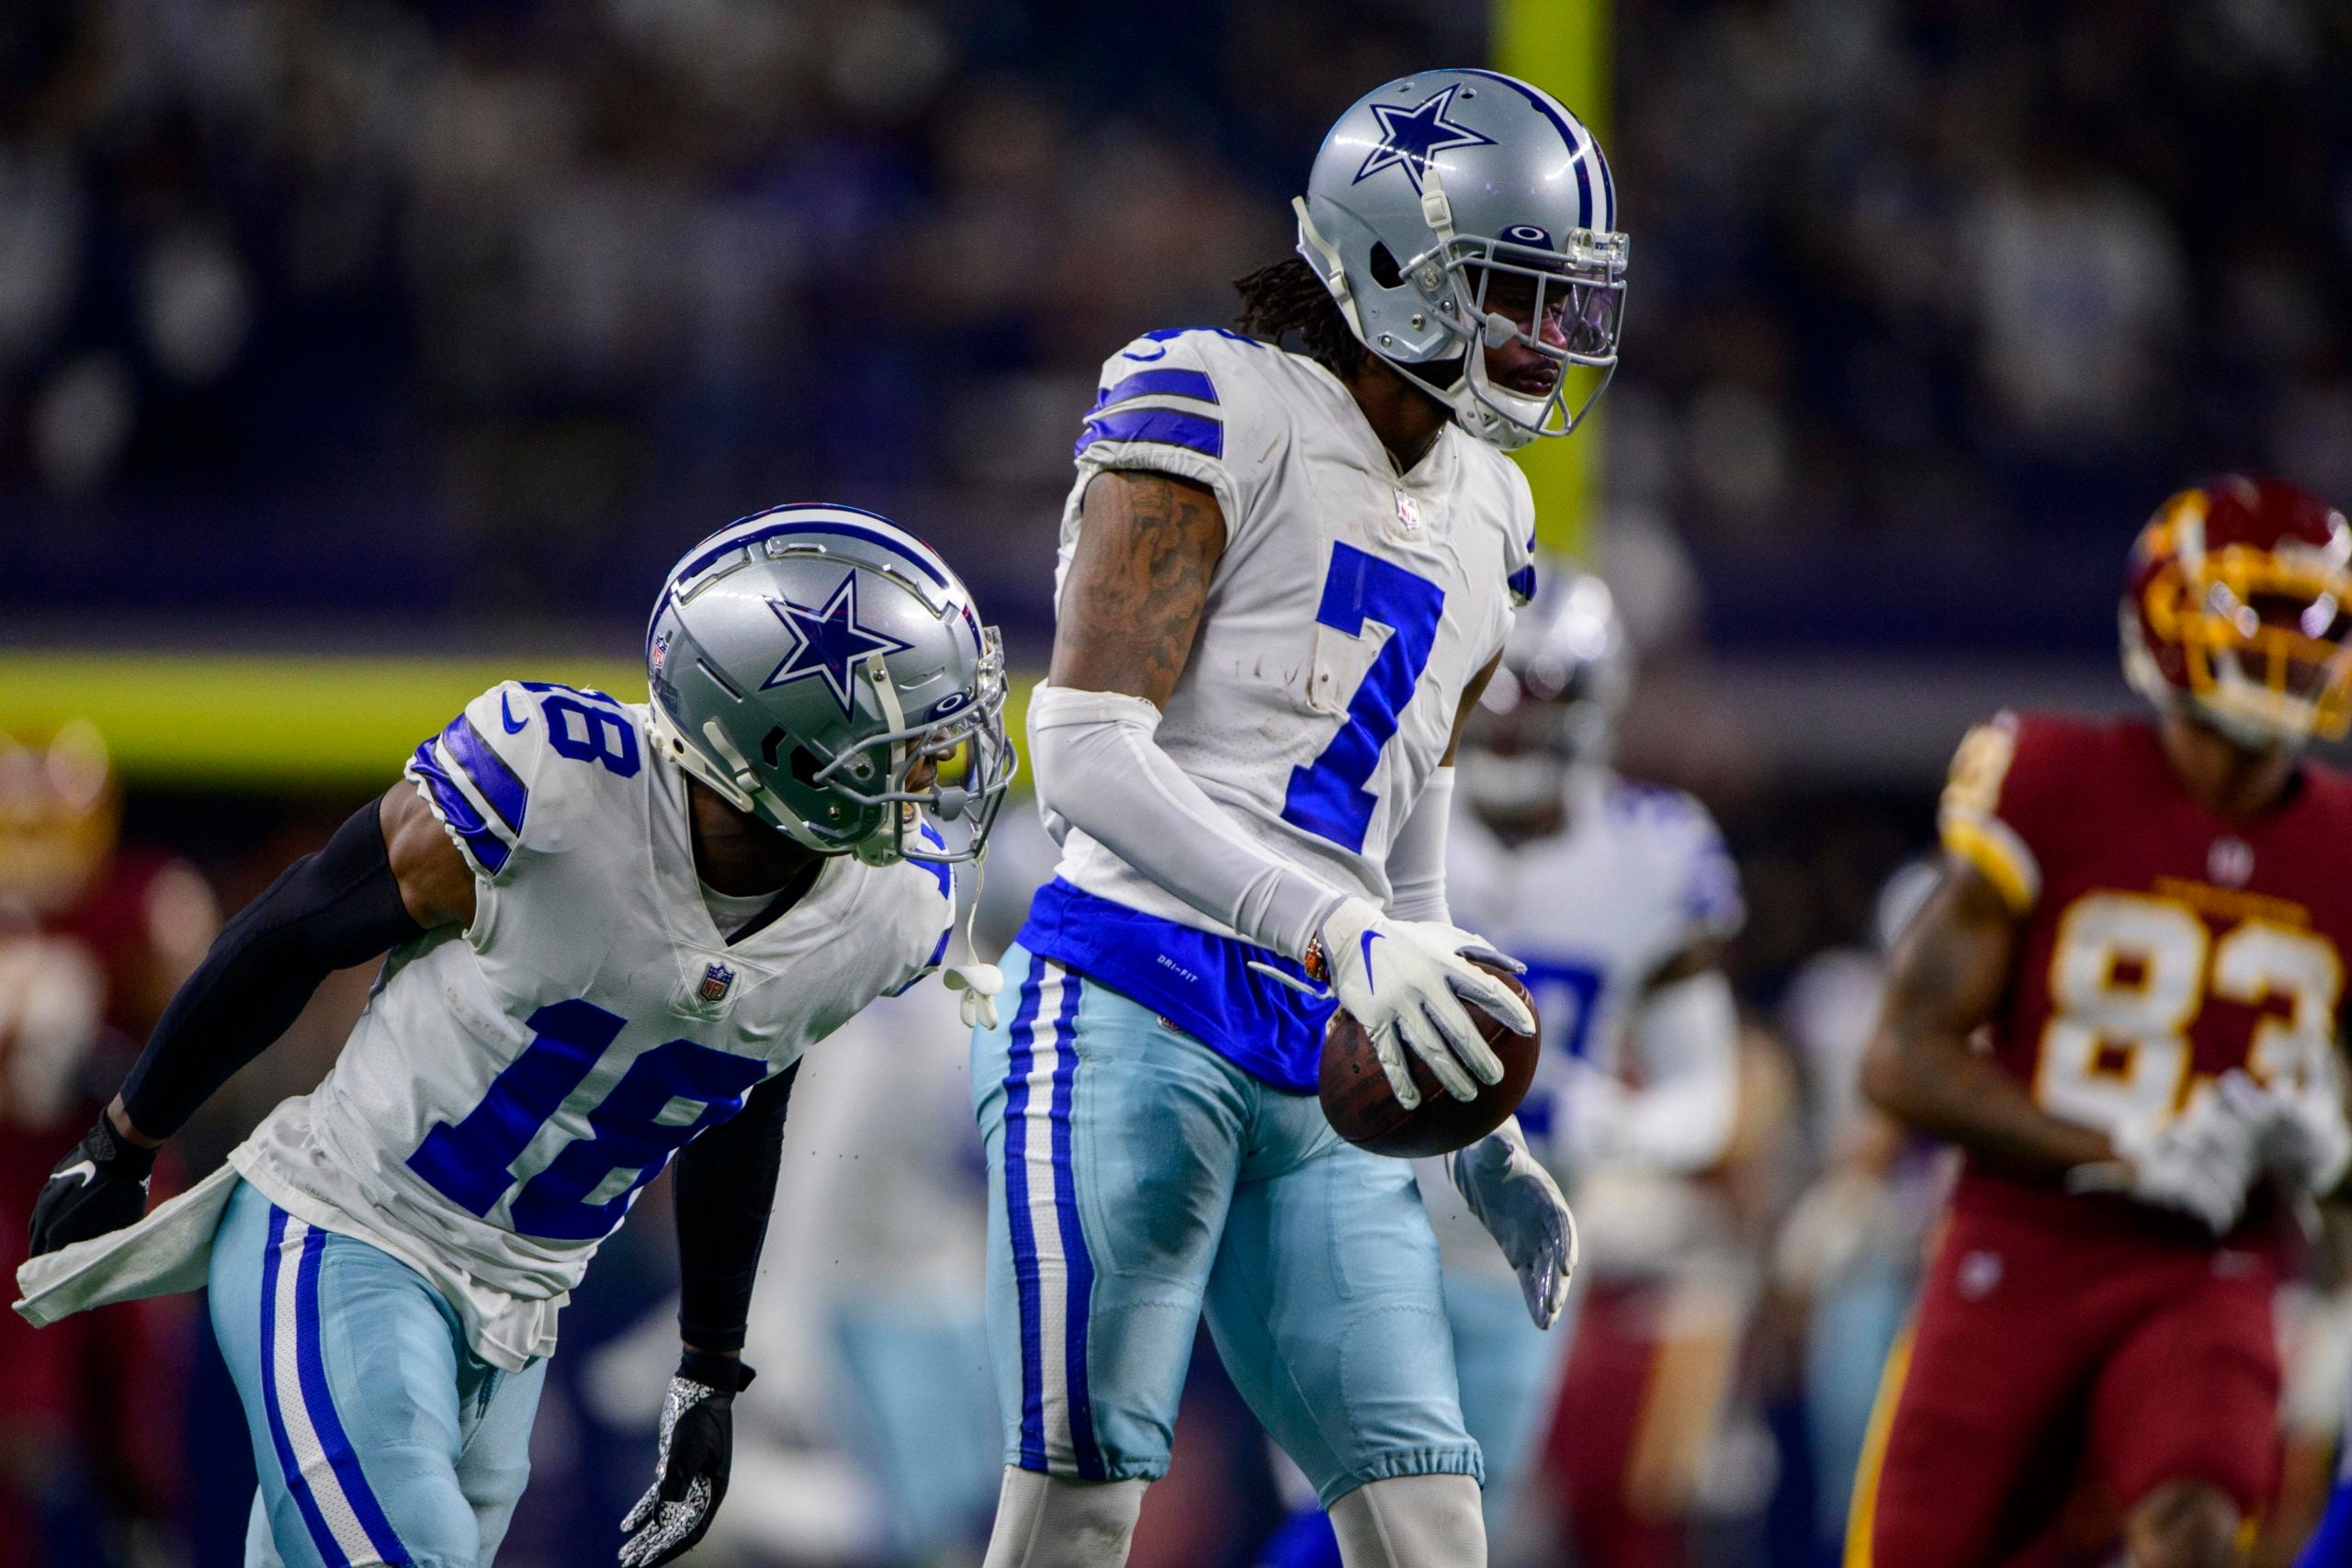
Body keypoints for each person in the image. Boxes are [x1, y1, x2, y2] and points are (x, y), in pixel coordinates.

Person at [17, 504, 1015, 1568]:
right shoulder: (557, 785)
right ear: (780, 745)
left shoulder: (884, 908)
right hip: (349, 1229)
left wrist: (709, 1371)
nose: (936, 770)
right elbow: (301, 922)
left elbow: (740, 1093)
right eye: (902, 743)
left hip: (520, 1312)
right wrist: (126, 1137)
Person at [975, 69, 1623, 1568]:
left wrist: (1473, 1116)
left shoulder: (1493, 509)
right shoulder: (1218, 399)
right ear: (1395, 262)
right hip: (1129, 983)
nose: (1552, 337)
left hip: (1322, 1041)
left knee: (1430, 1519)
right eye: (1518, 290)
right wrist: (1339, 929)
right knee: (1081, 1504)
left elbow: (1412, 826)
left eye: (1568, 298)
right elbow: (1078, 747)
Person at [1852, 476, 2352, 1568]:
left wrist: (2333, 1159)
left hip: (2211, 1262)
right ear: (2167, 615)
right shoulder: (2053, 777)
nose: (2289, 645)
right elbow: (1900, 1057)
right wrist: (2121, 1152)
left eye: (2313, 618)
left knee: (2196, 1520)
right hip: (2023, 1237)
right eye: (2258, 611)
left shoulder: (2344, 845)